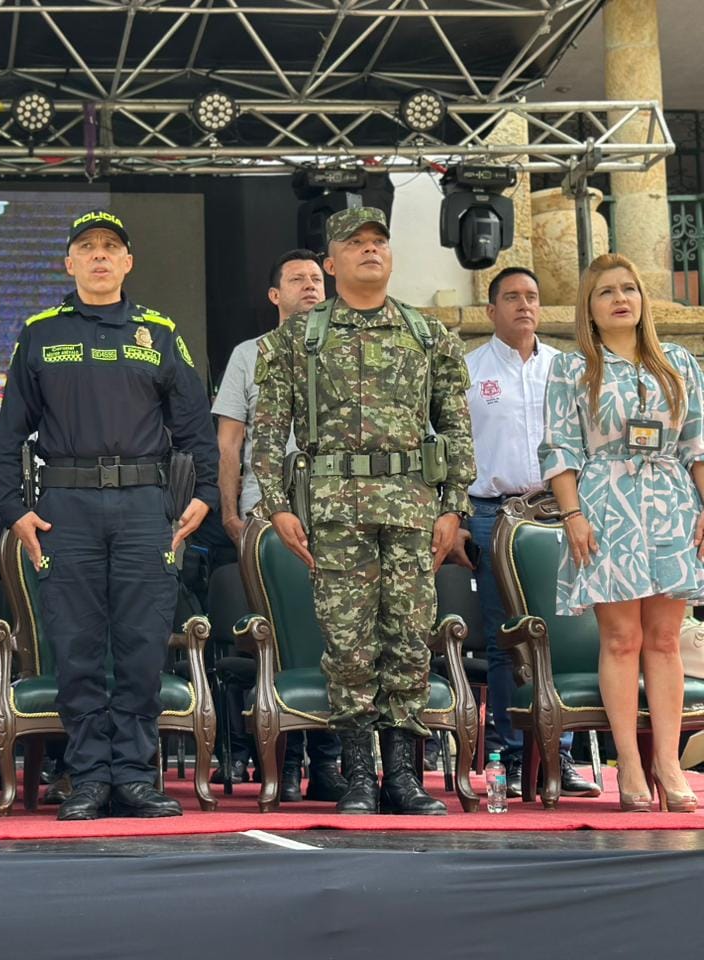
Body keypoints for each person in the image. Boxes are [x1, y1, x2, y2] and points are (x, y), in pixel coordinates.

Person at [0, 209, 219, 821]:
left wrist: (206, 493)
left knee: (142, 645)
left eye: (110, 247)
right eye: (86, 247)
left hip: (144, 505)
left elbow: (196, 428)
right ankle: (88, 776)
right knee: (78, 645)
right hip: (67, 507)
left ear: (127, 262)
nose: (98, 256)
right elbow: (9, 434)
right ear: (69, 262)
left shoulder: (158, 333)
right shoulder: (40, 333)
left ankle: (137, 777)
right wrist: (12, 510)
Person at [251, 207, 474, 815]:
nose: (370, 250)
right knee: (348, 645)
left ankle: (401, 777)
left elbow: (456, 426)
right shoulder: (298, 338)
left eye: (379, 242)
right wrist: (277, 507)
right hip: (335, 513)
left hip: (411, 511)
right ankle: (357, 777)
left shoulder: (427, 334)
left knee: (408, 640)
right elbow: (267, 431)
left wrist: (454, 507)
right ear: (331, 262)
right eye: (356, 243)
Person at [540, 252, 703, 813]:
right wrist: (572, 515)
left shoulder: (677, 362)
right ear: (588, 306)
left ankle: (668, 763)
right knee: (621, 639)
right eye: (606, 291)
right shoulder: (572, 368)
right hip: (605, 503)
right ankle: (628, 764)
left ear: (642, 299)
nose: (620, 299)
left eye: (629, 288)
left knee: (665, 640)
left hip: (671, 502)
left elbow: (698, 444)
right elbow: (559, 448)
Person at [212, 249, 346, 802]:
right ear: (275, 295)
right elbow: (229, 442)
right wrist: (229, 511)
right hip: (266, 512)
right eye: (297, 279)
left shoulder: (345, 348)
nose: (310, 286)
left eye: (317, 278)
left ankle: (329, 762)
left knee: (337, 632)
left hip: (336, 509)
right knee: (280, 634)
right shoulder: (250, 354)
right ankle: (284, 762)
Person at [463, 267, 600, 799]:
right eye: (513, 297)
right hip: (492, 513)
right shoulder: (469, 370)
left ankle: (559, 756)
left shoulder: (567, 369)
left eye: (533, 297)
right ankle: (516, 754)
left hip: (561, 514)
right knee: (508, 640)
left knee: (563, 635)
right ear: (491, 310)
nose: (525, 305)